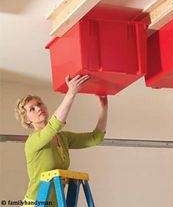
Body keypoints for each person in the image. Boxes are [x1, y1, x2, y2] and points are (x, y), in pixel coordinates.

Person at [15, 74, 108, 206]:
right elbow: (54, 125)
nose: (38, 108)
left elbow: (95, 138)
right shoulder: (32, 142)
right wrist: (71, 93)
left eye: (39, 104)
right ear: (27, 120)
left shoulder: (63, 138)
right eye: (32, 109)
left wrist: (103, 108)